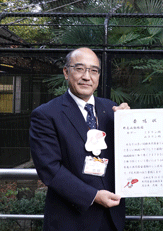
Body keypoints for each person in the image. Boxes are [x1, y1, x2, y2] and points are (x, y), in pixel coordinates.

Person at [30, 47, 129, 231]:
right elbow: (49, 169)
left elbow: (128, 155)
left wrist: (129, 124)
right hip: (71, 219)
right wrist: (94, 196)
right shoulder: (46, 114)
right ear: (66, 72)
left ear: (98, 76)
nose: (87, 76)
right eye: (79, 69)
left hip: (112, 218)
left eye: (93, 70)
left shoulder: (113, 110)